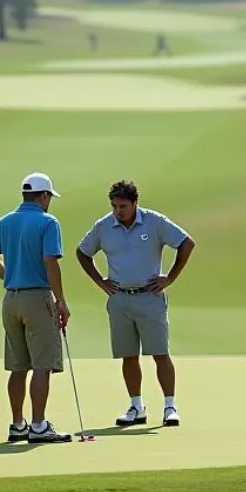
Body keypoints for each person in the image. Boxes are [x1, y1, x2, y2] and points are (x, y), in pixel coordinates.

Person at [76, 180, 196, 428]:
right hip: (119, 298)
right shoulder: (104, 225)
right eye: (114, 206)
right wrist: (100, 281)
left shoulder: (153, 221)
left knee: (160, 354)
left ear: (134, 204)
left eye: (122, 206)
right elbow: (83, 252)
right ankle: (136, 406)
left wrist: (170, 277)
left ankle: (170, 406)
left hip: (149, 297)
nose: (118, 211)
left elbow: (186, 243)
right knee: (128, 356)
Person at [0, 173, 73, 444]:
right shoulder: (48, 222)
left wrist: (10, 275)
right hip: (37, 298)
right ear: (43, 196)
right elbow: (50, 262)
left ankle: (18, 424)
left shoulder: (5, 221)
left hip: (11, 300)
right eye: (49, 197)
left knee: (18, 367)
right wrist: (61, 300)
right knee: (42, 365)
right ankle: (39, 426)